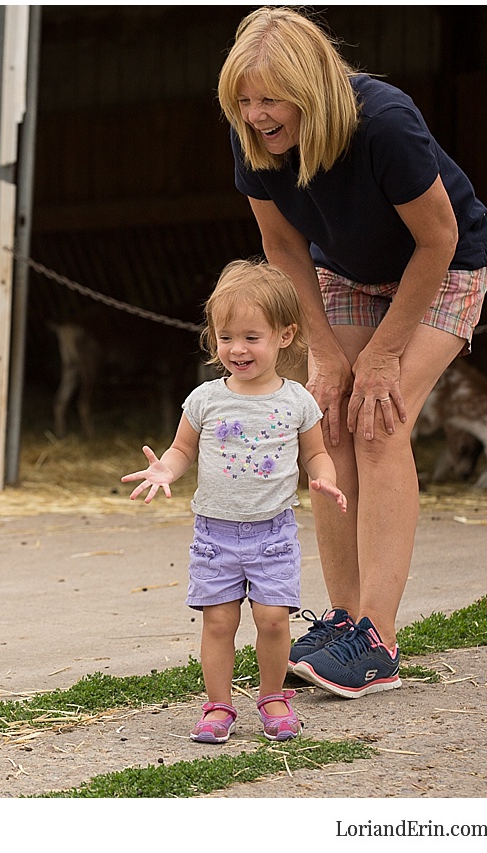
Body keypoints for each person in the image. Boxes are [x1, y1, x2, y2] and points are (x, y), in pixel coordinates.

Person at [217, 7, 487, 698]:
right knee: (328, 418)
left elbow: (438, 239)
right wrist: (324, 352)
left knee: (380, 420)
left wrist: (380, 356)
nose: (256, 115)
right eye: (244, 100)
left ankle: (378, 640)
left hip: (445, 264)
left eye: (270, 100)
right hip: (344, 269)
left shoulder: (384, 122)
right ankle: (344, 620)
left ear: (310, 87)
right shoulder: (253, 134)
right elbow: (283, 246)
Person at [122, 259, 347, 743]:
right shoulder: (204, 399)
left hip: (273, 532)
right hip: (215, 533)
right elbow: (182, 449)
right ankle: (218, 706)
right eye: (226, 337)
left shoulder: (297, 402)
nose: (237, 349)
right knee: (219, 621)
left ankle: (273, 698)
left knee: (271, 619)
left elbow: (317, 453)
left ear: (285, 336)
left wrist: (324, 480)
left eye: (251, 337)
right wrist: (167, 468)